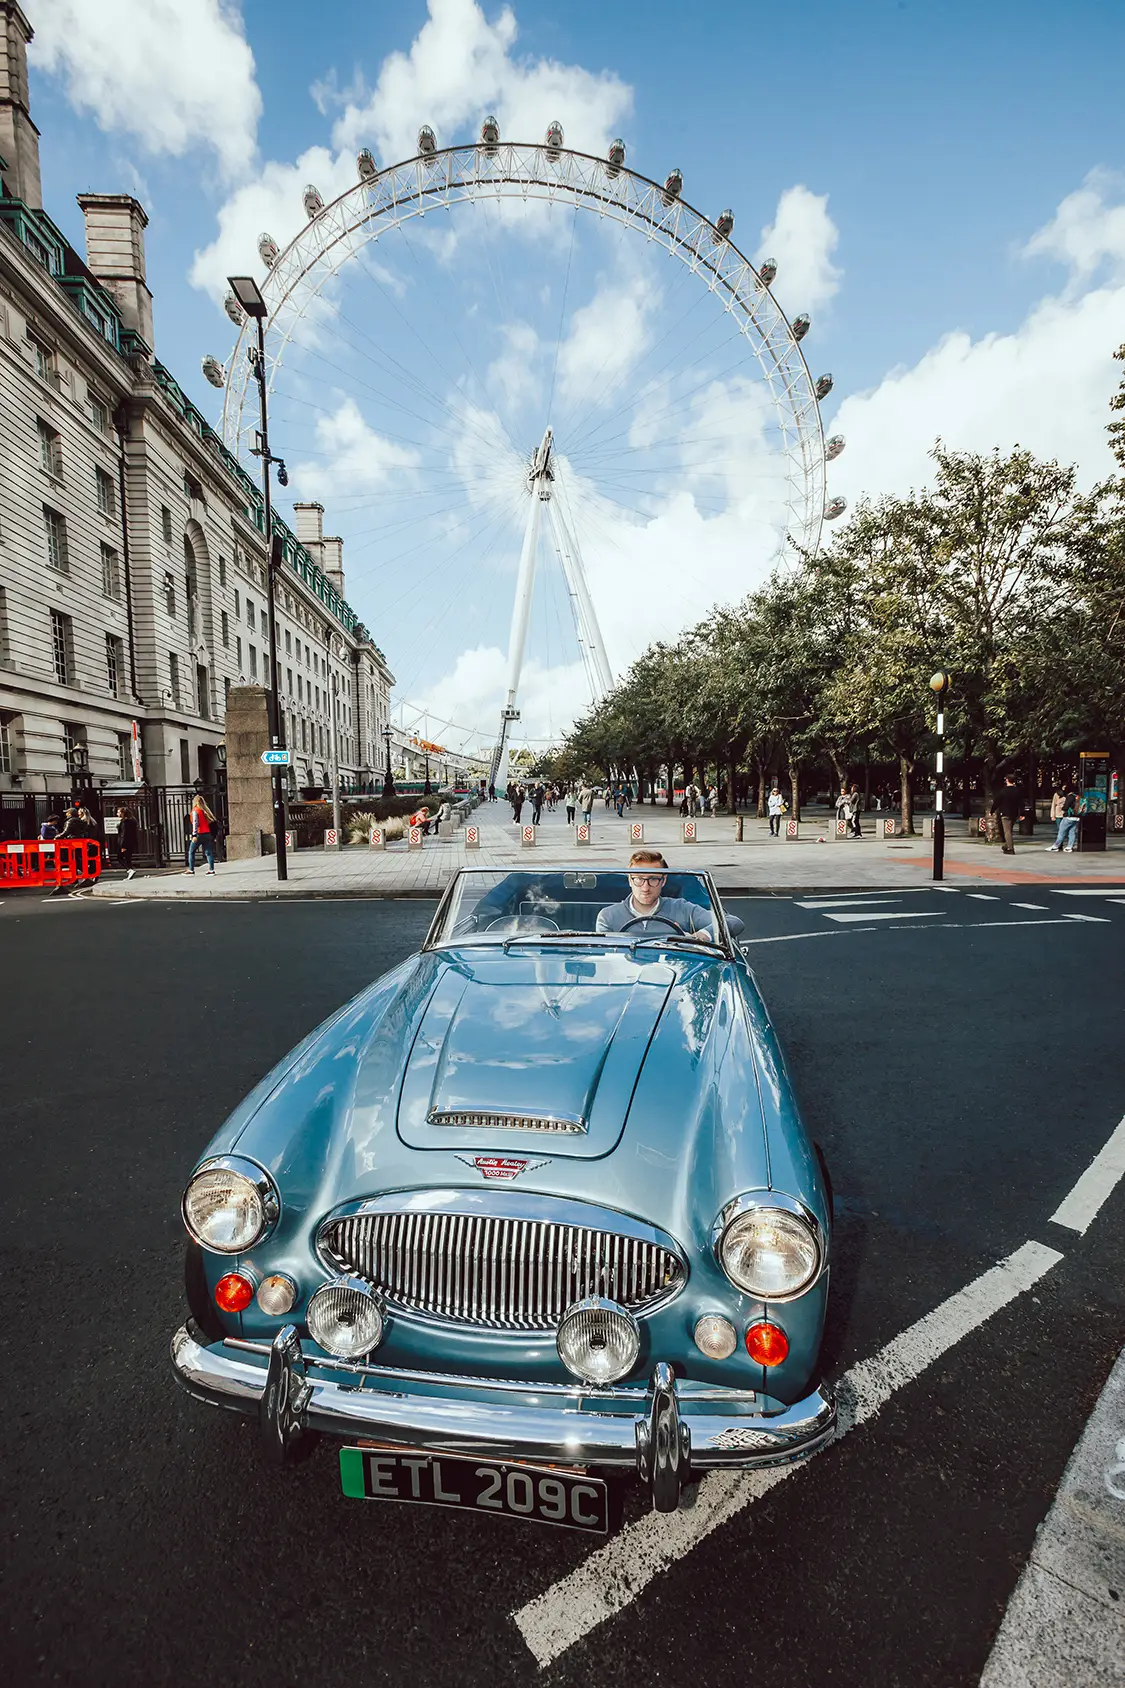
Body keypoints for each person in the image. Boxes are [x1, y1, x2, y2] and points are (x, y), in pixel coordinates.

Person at [596, 851, 717, 940]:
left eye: (653, 879)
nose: (645, 887)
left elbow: (730, 922)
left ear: (663, 880)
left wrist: (702, 935)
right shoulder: (609, 916)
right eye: (638, 879)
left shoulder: (682, 908)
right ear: (629, 880)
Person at [185, 795, 217, 875]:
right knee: (209, 852)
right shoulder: (205, 811)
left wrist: (194, 835)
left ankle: (191, 869)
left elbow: (195, 823)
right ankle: (211, 870)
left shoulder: (195, 810)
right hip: (207, 833)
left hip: (199, 834)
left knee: (191, 852)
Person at [991, 774, 1022, 854]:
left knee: (1007, 831)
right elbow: (1021, 803)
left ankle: (1010, 848)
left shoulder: (1003, 791)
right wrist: (1022, 813)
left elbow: (997, 801)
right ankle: (1006, 845)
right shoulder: (1017, 791)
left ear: (1007, 780)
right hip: (1014, 813)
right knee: (1009, 830)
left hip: (1005, 813)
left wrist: (992, 810)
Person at [1048, 786, 1079, 852]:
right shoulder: (1077, 796)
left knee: (1061, 831)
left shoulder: (1070, 796)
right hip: (1076, 817)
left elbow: (1066, 806)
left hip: (1068, 816)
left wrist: (1063, 808)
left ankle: (1056, 846)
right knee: (1072, 832)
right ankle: (1069, 847)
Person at [116, 806, 138, 873]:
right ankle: (131, 870)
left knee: (120, 858)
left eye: (118, 812)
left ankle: (129, 870)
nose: (117, 814)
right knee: (128, 858)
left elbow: (124, 834)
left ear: (122, 813)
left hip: (125, 843)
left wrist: (123, 846)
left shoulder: (125, 823)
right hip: (131, 842)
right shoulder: (132, 821)